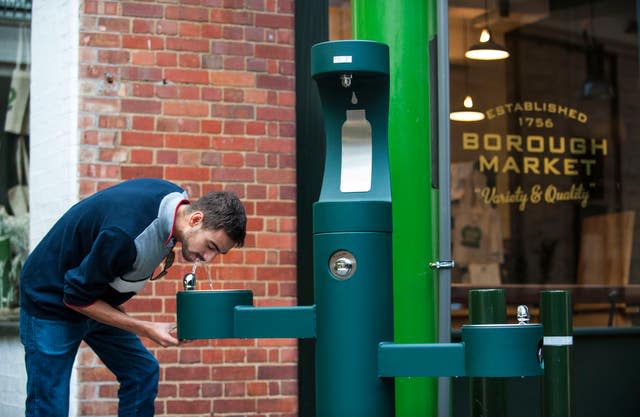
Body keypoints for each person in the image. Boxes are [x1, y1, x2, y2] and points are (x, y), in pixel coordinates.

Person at [19, 178, 247, 417]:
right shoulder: (125, 234)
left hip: (91, 295)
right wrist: (147, 328)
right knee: (49, 404)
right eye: (210, 246)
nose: (208, 258)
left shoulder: (175, 204)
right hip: (50, 300)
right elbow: (76, 297)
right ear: (195, 219)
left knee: (142, 372)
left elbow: (92, 286)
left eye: (217, 252)